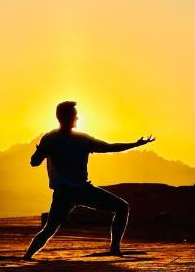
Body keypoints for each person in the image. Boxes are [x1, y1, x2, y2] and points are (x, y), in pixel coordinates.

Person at [24, 100, 155, 259]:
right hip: (71, 192)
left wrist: (135, 144)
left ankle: (27, 257)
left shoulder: (60, 138)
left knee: (50, 228)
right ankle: (27, 257)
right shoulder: (58, 139)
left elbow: (109, 147)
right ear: (65, 117)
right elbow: (35, 162)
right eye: (74, 115)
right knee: (121, 207)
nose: (77, 118)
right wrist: (135, 144)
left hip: (75, 191)